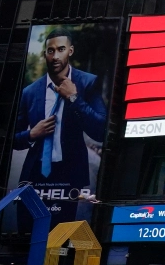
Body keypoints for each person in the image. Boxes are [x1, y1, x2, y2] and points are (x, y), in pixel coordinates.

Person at [14, 28, 108, 191]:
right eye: (51, 51)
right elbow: (12, 138)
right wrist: (31, 134)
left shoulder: (88, 83)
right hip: (34, 175)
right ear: (45, 54)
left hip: (69, 175)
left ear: (70, 51)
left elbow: (101, 130)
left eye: (61, 49)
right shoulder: (29, 92)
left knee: (67, 218)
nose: (55, 56)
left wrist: (74, 98)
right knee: (27, 217)